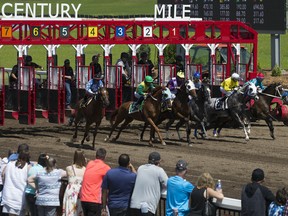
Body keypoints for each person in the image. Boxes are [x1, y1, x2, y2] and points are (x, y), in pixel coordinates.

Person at [130, 151, 168, 216]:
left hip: (134, 205)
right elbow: (168, 184)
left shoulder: (141, 168)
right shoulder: (159, 170)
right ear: (158, 162)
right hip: (147, 208)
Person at [80, 148, 110, 216]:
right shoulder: (105, 167)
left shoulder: (90, 164)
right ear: (104, 157)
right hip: (94, 200)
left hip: (84, 198)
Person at [1, 151, 30, 216]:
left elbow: (3, 174)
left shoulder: (9, 164)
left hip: (8, 195)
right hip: (19, 197)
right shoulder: (27, 167)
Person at [63, 149, 87, 216]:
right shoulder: (85, 169)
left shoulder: (69, 168)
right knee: (79, 210)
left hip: (71, 192)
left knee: (70, 211)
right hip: (80, 192)